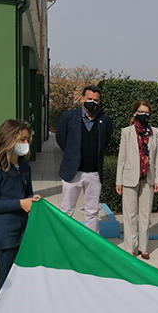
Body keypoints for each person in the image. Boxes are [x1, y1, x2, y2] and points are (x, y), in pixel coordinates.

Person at [0, 119, 41, 299]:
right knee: (7, 279)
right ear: (8, 139)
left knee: (21, 277)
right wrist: (20, 203)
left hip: (24, 231)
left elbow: (27, 194)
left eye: (26, 140)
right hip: (6, 234)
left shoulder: (24, 168)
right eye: (21, 140)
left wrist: (32, 200)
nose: (25, 144)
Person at [56, 85, 113, 233]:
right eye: (89, 99)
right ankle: (63, 240)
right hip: (72, 172)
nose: (92, 102)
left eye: (96, 100)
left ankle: (91, 245)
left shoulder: (105, 120)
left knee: (92, 212)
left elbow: (105, 142)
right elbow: (61, 140)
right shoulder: (68, 117)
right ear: (82, 99)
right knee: (67, 210)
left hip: (94, 173)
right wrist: (72, 155)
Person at [116, 101, 158, 259]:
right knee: (130, 214)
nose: (144, 115)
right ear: (135, 113)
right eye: (141, 111)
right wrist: (118, 181)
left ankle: (144, 247)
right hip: (129, 177)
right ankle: (130, 247)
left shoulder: (154, 132)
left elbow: (157, 158)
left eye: (146, 112)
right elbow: (121, 158)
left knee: (145, 214)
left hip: (148, 177)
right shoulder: (127, 132)